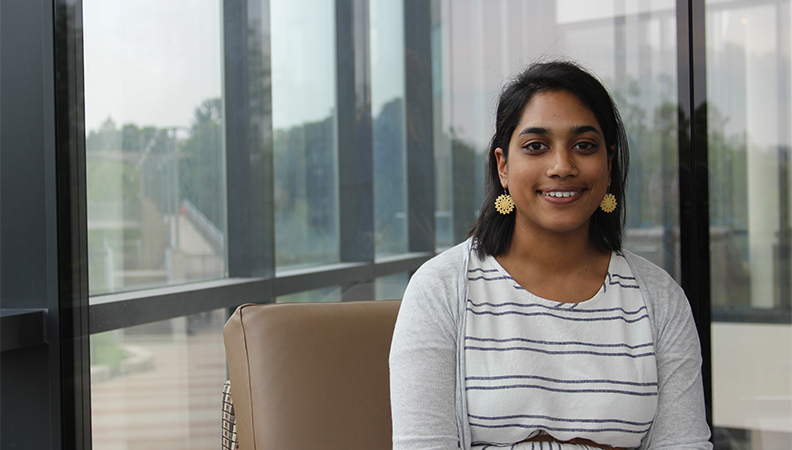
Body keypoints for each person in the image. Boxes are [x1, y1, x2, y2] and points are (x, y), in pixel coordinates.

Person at [389, 60, 711, 450]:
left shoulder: (660, 299)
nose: (562, 166)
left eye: (584, 145)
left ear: (609, 165)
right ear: (503, 166)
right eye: (536, 146)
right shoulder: (440, 290)